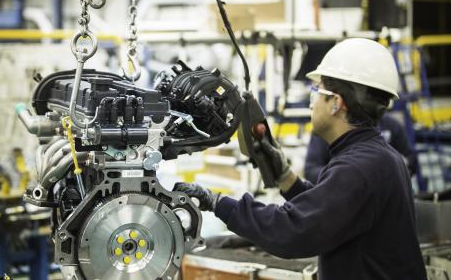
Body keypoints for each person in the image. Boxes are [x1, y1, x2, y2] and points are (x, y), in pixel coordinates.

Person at [173, 38, 427, 280]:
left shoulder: (359, 167)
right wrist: (286, 178)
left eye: (317, 90)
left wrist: (217, 202)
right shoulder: (377, 157)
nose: (311, 99)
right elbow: (330, 212)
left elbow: (291, 231)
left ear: (336, 103)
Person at [305, 112, 418, 184]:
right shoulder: (328, 129)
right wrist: (339, 177)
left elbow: (411, 160)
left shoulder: (392, 125)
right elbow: (311, 170)